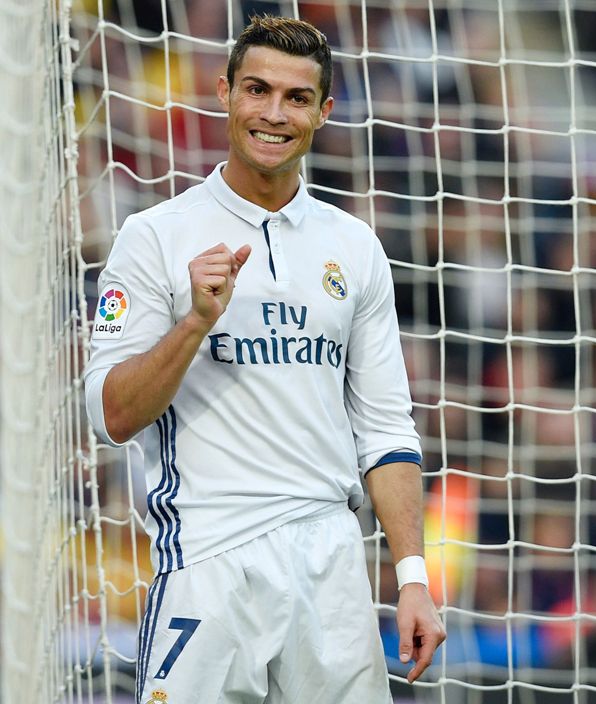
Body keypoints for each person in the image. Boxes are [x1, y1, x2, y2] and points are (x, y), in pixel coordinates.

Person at [83, 15, 445, 703]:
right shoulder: (154, 237)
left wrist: (413, 579)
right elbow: (110, 415)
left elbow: (388, 431)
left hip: (332, 564)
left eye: (296, 98)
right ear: (224, 93)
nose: (273, 114)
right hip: (209, 560)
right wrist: (195, 322)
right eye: (257, 90)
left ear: (324, 111)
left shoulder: (356, 246)